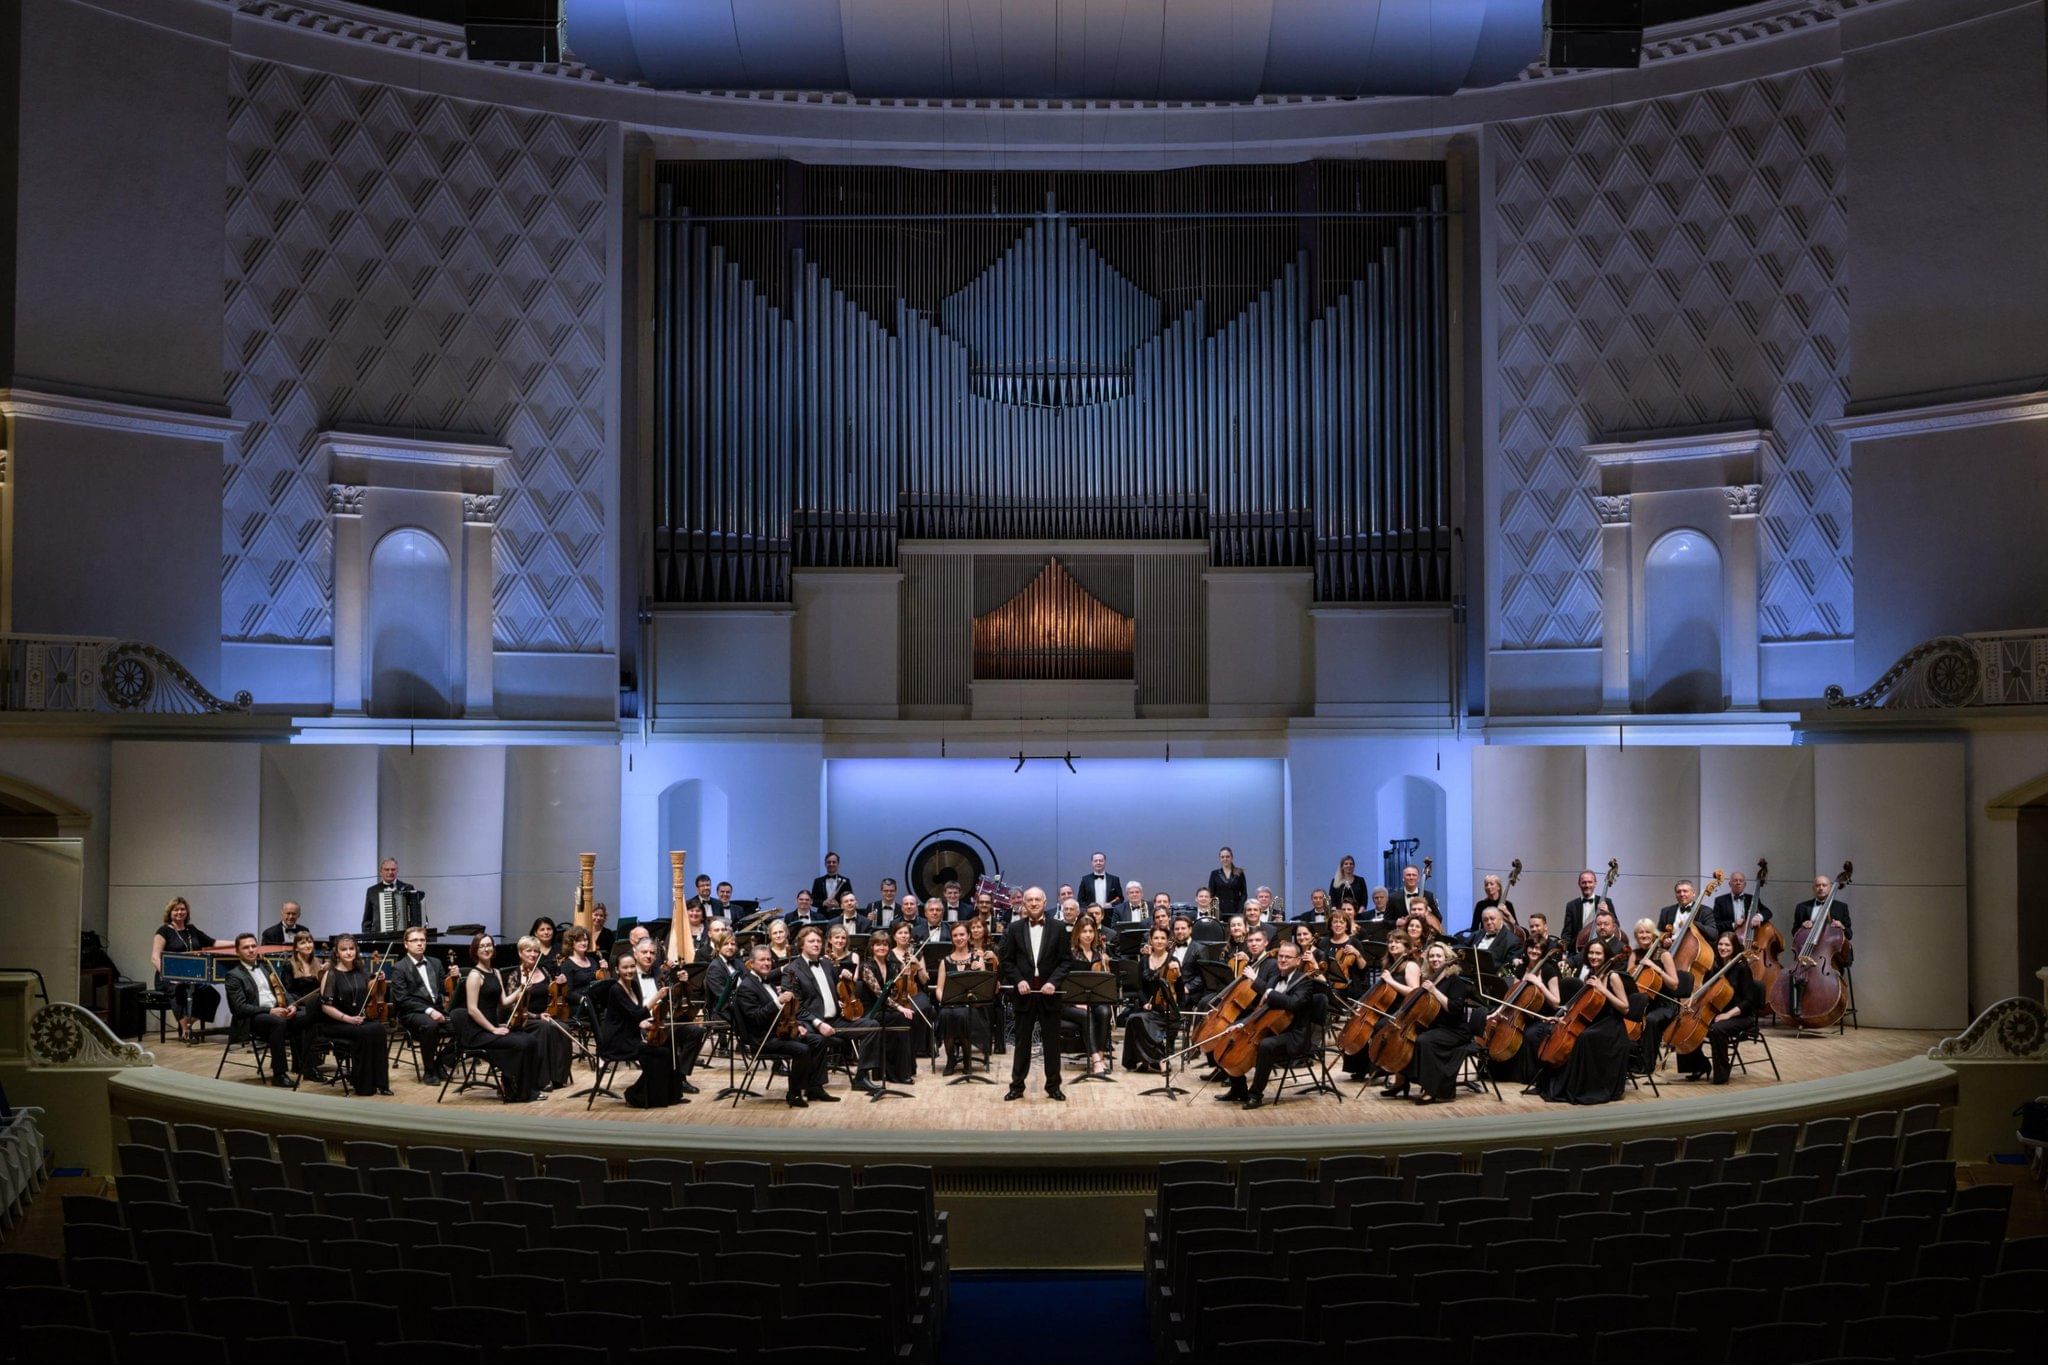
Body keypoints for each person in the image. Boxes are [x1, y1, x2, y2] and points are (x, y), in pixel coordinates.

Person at [1216, 940, 1322, 1110]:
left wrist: (1270, 993)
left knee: (1266, 1045)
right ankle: (1238, 1089)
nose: (1283, 960)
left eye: (1288, 957)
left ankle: (1255, 1095)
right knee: (1232, 1033)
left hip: (1294, 1035)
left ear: (1298, 960)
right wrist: (1242, 1023)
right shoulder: (1274, 978)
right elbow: (1260, 1010)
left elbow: (1293, 1003)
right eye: (1281, 956)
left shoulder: (1305, 981)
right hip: (1270, 1028)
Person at [1538, 938, 1635, 1105]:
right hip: (1595, 1022)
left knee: (1583, 1038)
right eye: (1591, 952)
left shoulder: (1613, 977)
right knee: (1555, 1032)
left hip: (1612, 1027)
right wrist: (1561, 1017)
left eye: (1598, 953)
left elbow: (1625, 1008)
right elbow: (1581, 1007)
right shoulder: (1592, 976)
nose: (1594, 956)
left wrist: (1602, 989)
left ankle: (1582, 1088)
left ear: (1606, 956)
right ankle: (1561, 1083)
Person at [732, 944, 831, 1108]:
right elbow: (756, 1018)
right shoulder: (746, 987)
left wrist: (797, 1025)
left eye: (769, 959)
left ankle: (814, 1087)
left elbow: (783, 1014)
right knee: (802, 1049)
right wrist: (777, 1001)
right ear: (751, 964)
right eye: (762, 960)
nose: (767, 963)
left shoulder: (768, 982)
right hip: (763, 1039)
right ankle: (794, 1093)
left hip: (779, 1033)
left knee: (818, 1040)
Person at [998, 886, 1070, 1101]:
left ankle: (1053, 1086)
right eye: (1029, 900)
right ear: (1024, 904)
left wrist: (1053, 982)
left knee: (1051, 1043)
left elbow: (1066, 961)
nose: (1034, 903)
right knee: (1022, 1043)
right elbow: (1007, 961)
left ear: (1045, 902)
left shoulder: (1059, 928)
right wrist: (1018, 980)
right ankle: (1017, 1086)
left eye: (1038, 899)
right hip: (1024, 993)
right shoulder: (1015, 928)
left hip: (1050, 993)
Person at [457, 933, 545, 1102]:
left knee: (531, 1041)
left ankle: (525, 1090)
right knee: (521, 1043)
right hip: (478, 1033)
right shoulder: (475, 976)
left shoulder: (495, 972)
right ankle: (514, 1089)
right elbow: (472, 1009)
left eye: (489, 945)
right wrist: (493, 1029)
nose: (486, 949)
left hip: (493, 1028)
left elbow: (504, 1002)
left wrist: (522, 988)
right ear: (475, 950)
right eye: (482, 946)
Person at [598, 946, 685, 1108]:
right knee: (661, 1054)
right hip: (618, 1041)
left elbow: (634, 1015)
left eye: (632, 966)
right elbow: (637, 1014)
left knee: (669, 1044)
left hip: (630, 1035)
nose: (629, 970)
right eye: (625, 967)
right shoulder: (615, 990)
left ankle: (672, 1095)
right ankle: (634, 1094)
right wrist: (657, 996)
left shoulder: (634, 986)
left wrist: (647, 1023)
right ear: (617, 970)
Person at [223, 933, 314, 1087]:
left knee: (307, 1016)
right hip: (252, 1018)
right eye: (246, 947)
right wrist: (269, 1011)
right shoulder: (233, 976)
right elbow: (240, 1008)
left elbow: (283, 991)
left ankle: (306, 1067)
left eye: (253, 946)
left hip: (277, 1012)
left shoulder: (265, 967)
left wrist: (292, 1005)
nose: (251, 950)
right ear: (237, 952)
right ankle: (279, 1074)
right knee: (277, 1022)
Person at [1673, 930, 1764, 1084]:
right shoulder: (1717, 966)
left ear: (1734, 947)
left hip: (1741, 1016)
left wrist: (1728, 1015)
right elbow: (1707, 989)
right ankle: (1699, 1066)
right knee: (1686, 1023)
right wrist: (1692, 1000)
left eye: (1727, 945)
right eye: (1721, 944)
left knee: (1716, 1029)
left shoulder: (1742, 968)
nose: (1723, 948)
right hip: (1718, 1012)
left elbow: (1749, 1001)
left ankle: (1721, 1073)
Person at [319, 934, 392, 1096]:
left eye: (351, 949)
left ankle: (381, 1083)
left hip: (356, 1020)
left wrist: (379, 979)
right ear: (336, 953)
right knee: (365, 1032)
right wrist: (348, 1019)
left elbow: (370, 991)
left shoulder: (361, 972)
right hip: (336, 1023)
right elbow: (326, 1007)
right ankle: (363, 1085)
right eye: (344, 949)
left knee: (379, 1029)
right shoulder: (330, 974)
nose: (348, 953)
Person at [151, 897, 228, 1043]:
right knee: (178, 989)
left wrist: (238, 943)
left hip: (191, 976)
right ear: (170, 912)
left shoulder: (191, 930)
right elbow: (155, 958)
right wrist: (169, 975)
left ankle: (187, 1025)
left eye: (182, 909)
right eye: (176, 909)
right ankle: (186, 1032)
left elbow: (213, 942)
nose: (180, 912)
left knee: (213, 996)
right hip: (167, 977)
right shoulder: (163, 931)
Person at [506, 936, 575, 1093]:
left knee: (564, 1028)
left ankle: (558, 1077)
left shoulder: (544, 970)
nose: (533, 954)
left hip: (545, 1015)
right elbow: (513, 1007)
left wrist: (562, 984)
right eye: (528, 951)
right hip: (524, 1020)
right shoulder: (515, 976)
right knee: (544, 1028)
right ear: (520, 953)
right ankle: (542, 1079)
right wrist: (536, 1015)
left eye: (536, 951)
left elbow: (554, 995)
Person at [1348, 935, 1419, 1081]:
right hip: (1387, 1007)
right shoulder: (1390, 964)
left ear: (1406, 946)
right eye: (1390, 942)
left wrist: (1391, 981)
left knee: (1378, 1026)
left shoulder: (1411, 965)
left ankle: (1383, 1068)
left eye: (1397, 942)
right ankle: (1360, 1068)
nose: (1392, 944)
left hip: (1402, 1009)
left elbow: (1414, 992)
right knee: (1360, 1023)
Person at [852, 929, 917, 1090]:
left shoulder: (892, 966)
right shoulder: (867, 967)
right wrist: (900, 1008)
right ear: (872, 947)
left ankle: (900, 1071)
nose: (882, 947)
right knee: (900, 1017)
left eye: (885, 944)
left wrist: (906, 976)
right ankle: (894, 1073)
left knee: (905, 1019)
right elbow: (879, 993)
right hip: (871, 1010)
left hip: (886, 1009)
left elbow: (894, 992)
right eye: (878, 945)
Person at [390, 925, 455, 1083]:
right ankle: (429, 1070)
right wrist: (429, 1011)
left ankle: (440, 1061)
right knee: (430, 1025)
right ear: (406, 944)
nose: (419, 943)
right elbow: (402, 1000)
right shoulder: (400, 968)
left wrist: (453, 978)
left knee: (464, 1025)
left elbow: (444, 990)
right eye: (415, 940)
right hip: (412, 1013)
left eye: (422, 940)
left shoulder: (436, 963)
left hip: (437, 1010)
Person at [934, 921, 994, 1074]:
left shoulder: (977, 959)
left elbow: (983, 989)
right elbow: (939, 989)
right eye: (955, 935)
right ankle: (950, 1059)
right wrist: (944, 999)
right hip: (950, 1005)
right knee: (946, 1014)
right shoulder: (945, 961)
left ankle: (967, 1060)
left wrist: (978, 972)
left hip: (972, 1007)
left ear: (968, 936)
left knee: (961, 1015)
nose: (959, 938)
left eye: (962, 934)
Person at [1120, 926, 1182, 1073]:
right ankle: (1145, 1059)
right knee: (1133, 1019)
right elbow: (1140, 988)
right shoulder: (1143, 961)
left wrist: (1178, 975)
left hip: (1166, 1009)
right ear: (1150, 940)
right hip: (1148, 1007)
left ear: (1167, 941)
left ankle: (1160, 1059)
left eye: (1162, 938)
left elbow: (1179, 992)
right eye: (1156, 938)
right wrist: (1145, 1002)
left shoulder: (1173, 961)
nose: (1159, 941)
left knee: (1140, 1020)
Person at [1062, 918, 1116, 1079]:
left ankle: (1100, 1053)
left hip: (1093, 1000)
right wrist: (1076, 1002)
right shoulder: (1069, 955)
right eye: (1084, 931)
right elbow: (1064, 983)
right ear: (1077, 933)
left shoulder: (1099, 955)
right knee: (1087, 1015)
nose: (1087, 935)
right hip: (1069, 1003)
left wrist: (1106, 965)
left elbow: (1105, 985)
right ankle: (1095, 1059)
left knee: (1105, 1012)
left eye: (1091, 931)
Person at [1626, 918, 1680, 1068]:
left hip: (1664, 1004)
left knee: (1650, 1019)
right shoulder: (1634, 955)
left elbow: (1674, 984)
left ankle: (1647, 1064)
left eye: (1647, 932)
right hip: (1643, 1001)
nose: (1644, 935)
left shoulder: (1663, 955)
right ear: (1636, 936)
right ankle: (1628, 1060)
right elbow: (1628, 982)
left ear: (1654, 935)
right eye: (1640, 932)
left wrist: (1655, 968)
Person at [1791, 873, 1853, 964]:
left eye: (1824, 885)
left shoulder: (1841, 907)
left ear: (1830, 888)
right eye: (1817, 885)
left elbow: (1850, 934)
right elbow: (1794, 932)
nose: (1821, 888)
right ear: (1813, 889)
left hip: (1832, 956)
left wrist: (1841, 926)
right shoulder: (1802, 907)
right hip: (1808, 953)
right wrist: (1802, 927)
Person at [360, 857, 419, 935]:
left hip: (403, 936)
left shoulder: (408, 888)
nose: (390, 872)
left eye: (393, 869)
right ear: (381, 872)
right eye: (387, 869)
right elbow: (367, 919)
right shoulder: (372, 891)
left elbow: (415, 915)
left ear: (397, 871)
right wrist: (370, 936)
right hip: (379, 936)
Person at [1562, 869, 1614, 946]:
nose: (1587, 885)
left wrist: (1608, 913)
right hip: (1578, 948)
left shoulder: (1606, 902)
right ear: (1579, 884)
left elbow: (1616, 926)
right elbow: (1567, 933)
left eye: (1590, 882)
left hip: (1603, 946)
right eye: (1584, 882)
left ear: (1595, 883)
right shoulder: (1571, 906)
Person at [1712, 870, 1769, 936]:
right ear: (1730, 884)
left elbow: (1767, 912)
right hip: (1729, 938)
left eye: (1741, 881)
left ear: (1745, 884)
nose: (1738, 882)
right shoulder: (1720, 901)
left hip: (1748, 937)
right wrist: (1733, 924)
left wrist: (1758, 917)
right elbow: (1715, 924)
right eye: (1735, 880)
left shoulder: (1752, 899)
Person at [1471, 905, 1523, 973]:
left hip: (1490, 978)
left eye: (1492, 918)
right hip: (1470, 973)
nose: (1489, 922)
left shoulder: (1513, 941)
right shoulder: (1477, 934)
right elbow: (1463, 947)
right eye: (1485, 920)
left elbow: (1507, 968)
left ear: (1501, 920)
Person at [1207, 848, 1249, 919]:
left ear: (1232, 857)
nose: (1225, 859)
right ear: (1219, 859)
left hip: (1236, 910)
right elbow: (1211, 894)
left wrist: (1240, 910)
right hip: (1219, 911)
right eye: (1222, 857)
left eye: (1227, 856)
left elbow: (1244, 894)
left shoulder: (1239, 872)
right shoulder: (1214, 874)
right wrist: (1216, 911)